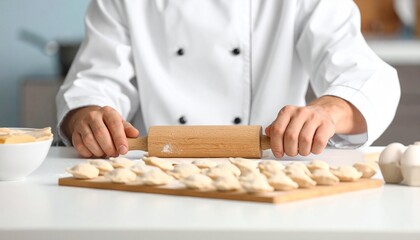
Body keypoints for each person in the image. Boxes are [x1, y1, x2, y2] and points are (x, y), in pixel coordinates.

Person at [56, 0, 400, 159]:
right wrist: (86, 116)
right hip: (155, 176)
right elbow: (95, 81)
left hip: (269, 176)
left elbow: (365, 73)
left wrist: (328, 110)